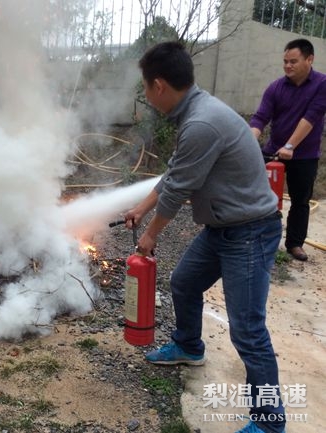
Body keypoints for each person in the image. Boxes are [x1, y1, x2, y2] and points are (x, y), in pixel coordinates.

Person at [124, 42, 286, 433]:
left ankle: (270, 422)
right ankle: (189, 346)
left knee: (247, 328)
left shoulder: (201, 123)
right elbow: (175, 174)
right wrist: (141, 209)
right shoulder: (195, 113)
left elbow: (179, 189)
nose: (146, 96)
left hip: (249, 232)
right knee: (184, 282)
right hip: (224, 228)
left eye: (145, 87)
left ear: (159, 85)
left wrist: (150, 234)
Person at [250, 38, 326, 262]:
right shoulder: (276, 87)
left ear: (309, 59)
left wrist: (290, 146)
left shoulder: (321, 84)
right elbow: (260, 117)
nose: (287, 66)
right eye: (285, 61)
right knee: (259, 195)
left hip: (304, 155)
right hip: (274, 152)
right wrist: (249, 139)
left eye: (293, 61)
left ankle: (294, 244)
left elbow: (311, 118)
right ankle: (256, 237)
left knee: (300, 200)